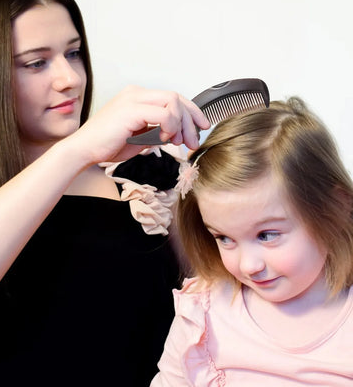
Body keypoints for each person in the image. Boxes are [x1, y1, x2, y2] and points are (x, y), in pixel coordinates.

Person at [0, 0, 210, 386]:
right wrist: (78, 149)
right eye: (36, 63)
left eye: (75, 53)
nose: (70, 78)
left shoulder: (145, 175)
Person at [151, 97, 353, 386]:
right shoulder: (204, 313)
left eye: (267, 235)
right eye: (223, 238)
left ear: (335, 206)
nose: (248, 265)